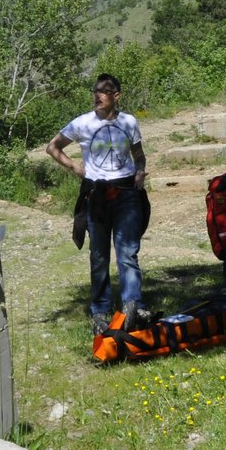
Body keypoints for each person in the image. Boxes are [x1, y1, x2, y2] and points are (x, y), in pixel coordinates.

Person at [47, 74, 150, 333]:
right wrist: (74, 167)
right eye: (95, 91)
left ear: (117, 95)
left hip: (127, 192)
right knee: (99, 255)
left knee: (127, 252)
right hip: (96, 195)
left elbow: (139, 154)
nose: (98, 95)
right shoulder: (82, 123)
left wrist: (140, 172)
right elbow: (53, 147)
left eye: (105, 91)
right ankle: (101, 312)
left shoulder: (129, 121)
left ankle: (134, 307)